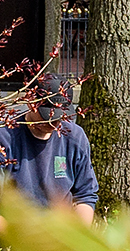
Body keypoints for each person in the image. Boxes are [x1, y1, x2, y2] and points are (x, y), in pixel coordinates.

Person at [2, 71, 97, 222]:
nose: (53, 123)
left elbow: (85, 195)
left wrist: (78, 238)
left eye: (59, 117)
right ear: (30, 103)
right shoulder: (6, 138)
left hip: (59, 233)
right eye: (48, 116)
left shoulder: (74, 137)